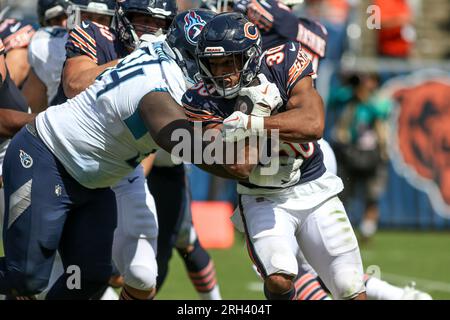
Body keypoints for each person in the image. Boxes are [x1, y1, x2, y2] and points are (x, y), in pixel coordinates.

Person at [0, 5, 212, 298]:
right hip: (59, 155)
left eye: (158, 22)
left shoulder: (177, 66)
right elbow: (73, 84)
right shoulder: (97, 37)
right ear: (125, 17)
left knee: (112, 275)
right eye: (143, 19)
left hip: (115, 171)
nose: (149, 28)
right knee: (27, 278)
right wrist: (134, 62)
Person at [178, 12, 366, 300]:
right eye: (213, 64)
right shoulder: (199, 98)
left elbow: (313, 124)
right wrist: (258, 109)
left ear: (251, 56)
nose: (221, 72)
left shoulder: (284, 60)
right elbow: (239, 165)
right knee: (278, 278)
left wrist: (253, 123)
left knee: (348, 285)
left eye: (229, 62)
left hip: (312, 184)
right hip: (262, 196)